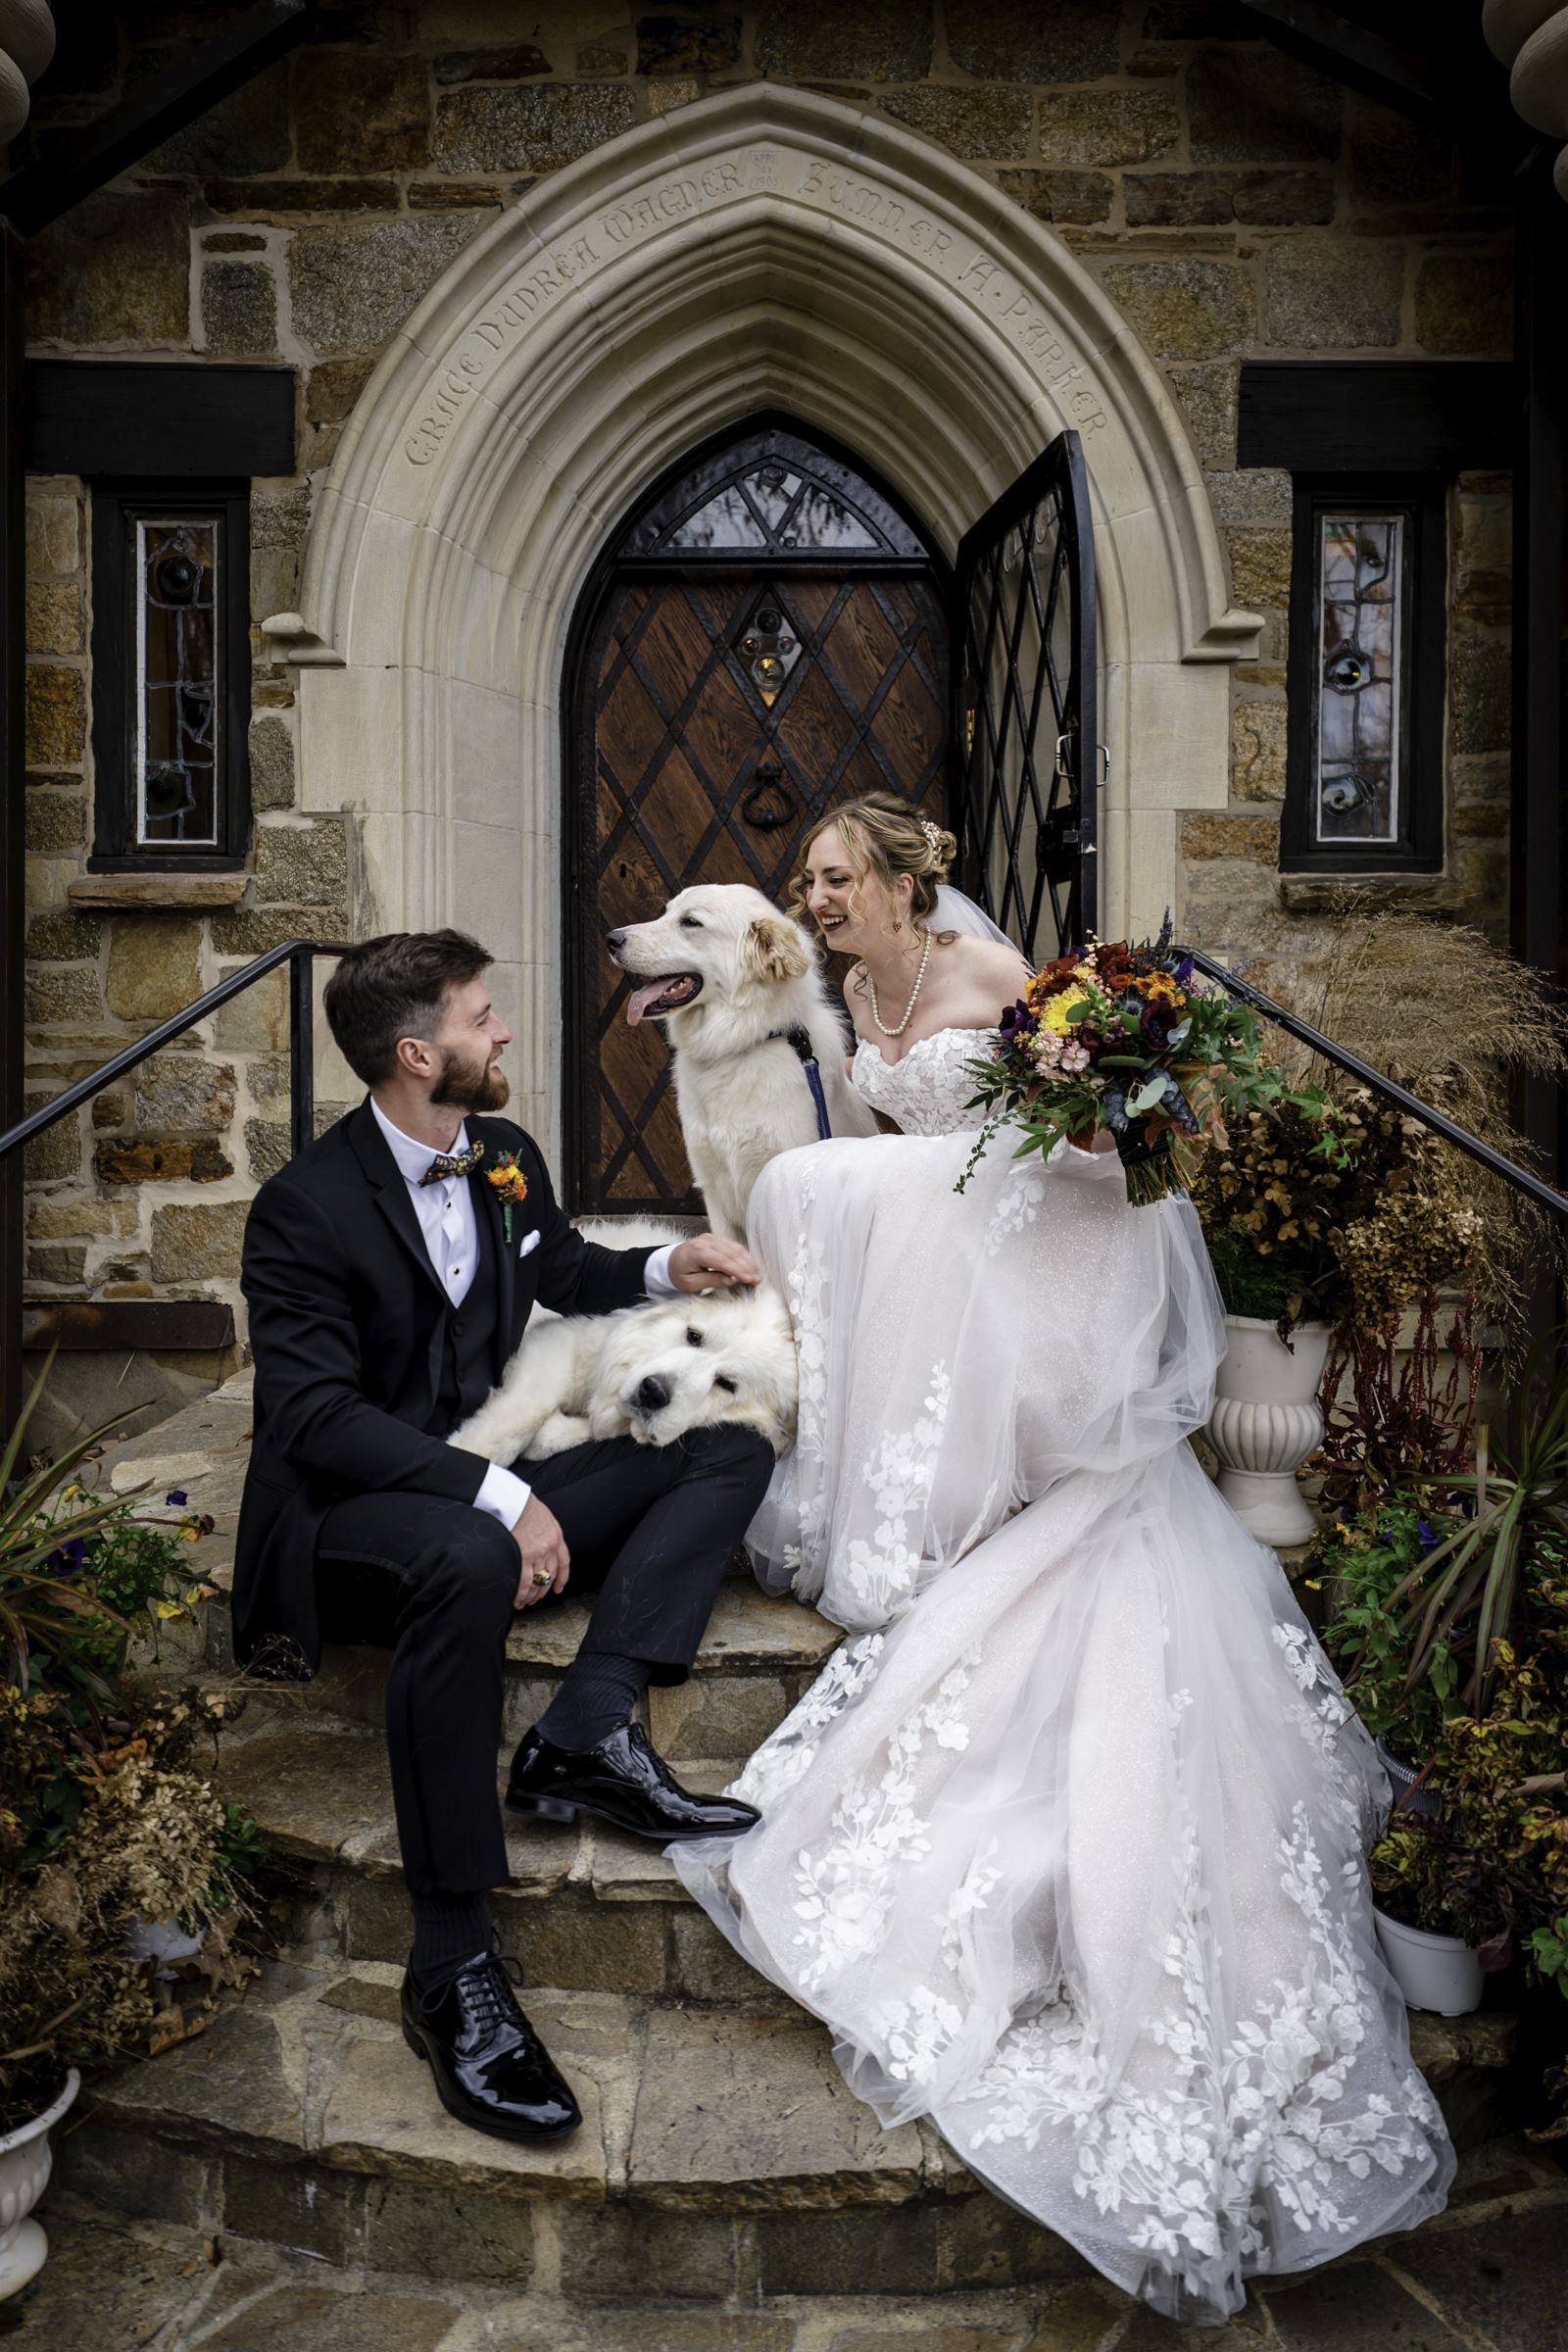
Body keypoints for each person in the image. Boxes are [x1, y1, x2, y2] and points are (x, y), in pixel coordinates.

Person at [675, 795, 1453, 2323]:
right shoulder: (849, 997)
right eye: (809, 884)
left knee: (839, 1196)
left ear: (903, 883)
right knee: (840, 1194)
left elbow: (1105, 1142)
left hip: (1058, 1244)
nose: (814, 901)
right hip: (968, 1264)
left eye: (834, 880)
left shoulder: (989, 982)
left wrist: (1085, 1104)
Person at [235, 930, 772, 2146]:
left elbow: (563, 1264)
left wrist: (664, 1264)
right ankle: (451, 1962)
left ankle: (585, 1730)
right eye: (484, 1017)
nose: (506, 1033)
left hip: (478, 1478)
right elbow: (315, 1422)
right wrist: (499, 1500)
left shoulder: (504, 1157)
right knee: (471, 1553)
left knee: (722, 1438)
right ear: (420, 1053)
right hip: (351, 1520)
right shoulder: (301, 1209)